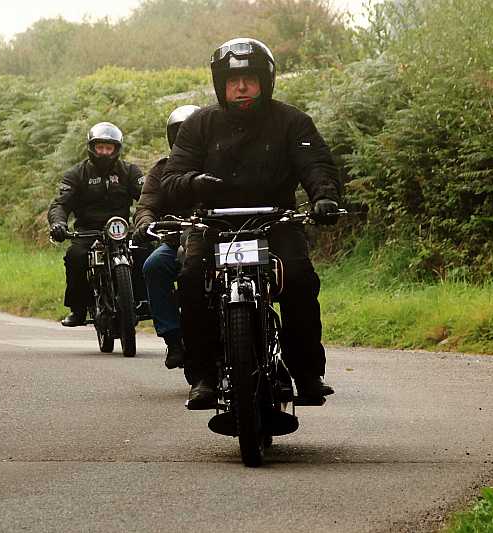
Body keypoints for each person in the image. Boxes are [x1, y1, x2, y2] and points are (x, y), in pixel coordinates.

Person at [159, 38, 342, 409]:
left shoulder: (293, 121)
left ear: (266, 82)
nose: (241, 88)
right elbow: (171, 178)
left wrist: (325, 198)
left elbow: (317, 166)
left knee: (300, 279)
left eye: (249, 80)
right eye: (233, 81)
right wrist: (194, 183)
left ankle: (307, 373)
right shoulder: (199, 125)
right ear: (221, 85)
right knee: (191, 280)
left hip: (276, 221)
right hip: (213, 225)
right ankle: (204, 377)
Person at [48, 122, 144, 326]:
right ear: (92, 148)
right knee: (75, 257)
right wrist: (58, 224)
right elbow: (60, 204)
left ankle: (141, 302)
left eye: (109, 148)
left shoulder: (130, 171)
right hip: (87, 232)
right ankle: (78, 309)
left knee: (144, 251)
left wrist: (149, 221)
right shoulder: (76, 174)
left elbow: (147, 199)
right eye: (100, 147)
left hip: (121, 231)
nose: (104, 153)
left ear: (116, 149)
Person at [132, 104, 201, 370]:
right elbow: (146, 204)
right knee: (153, 266)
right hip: (175, 240)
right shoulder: (162, 169)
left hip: (218, 239)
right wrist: (145, 223)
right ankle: (173, 339)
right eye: (181, 132)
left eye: (192, 130)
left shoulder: (220, 161)